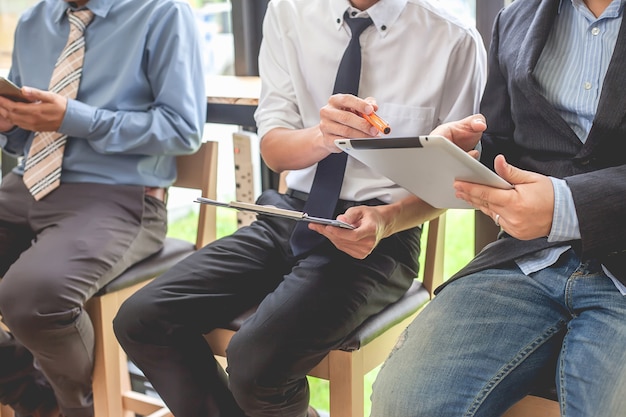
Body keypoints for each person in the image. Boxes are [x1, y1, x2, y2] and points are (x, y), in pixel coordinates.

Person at [112, 0, 486, 416]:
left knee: (255, 364)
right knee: (142, 320)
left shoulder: (454, 39)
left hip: (380, 236)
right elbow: (274, 149)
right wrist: (323, 137)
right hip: (291, 214)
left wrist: (387, 219)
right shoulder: (290, 11)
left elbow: (455, 181)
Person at [370, 0, 626, 416]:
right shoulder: (514, 19)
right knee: (401, 404)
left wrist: (570, 204)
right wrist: (463, 152)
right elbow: (502, 148)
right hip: (526, 258)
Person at [0, 0, 206, 415]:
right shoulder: (34, 20)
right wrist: (11, 122)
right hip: (27, 184)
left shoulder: (163, 13)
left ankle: (81, 407)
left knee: (31, 298)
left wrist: (76, 119)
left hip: (119, 196)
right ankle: (36, 397)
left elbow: (183, 131)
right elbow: (26, 126)